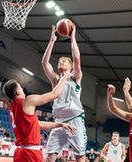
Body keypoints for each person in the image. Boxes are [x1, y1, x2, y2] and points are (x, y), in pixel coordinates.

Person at [2, 74, 75, 162]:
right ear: (17, 92)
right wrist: (65, 78)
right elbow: (55, 94)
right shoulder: (27, 101)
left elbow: (38, 124)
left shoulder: (13, 107)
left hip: (19, 153)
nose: (22, 89)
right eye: (20, 87)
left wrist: (60, 124)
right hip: (30, 153)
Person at [42, 25, 86, 162]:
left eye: (65, 61)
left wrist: (72, 37)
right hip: (58, 121)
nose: (61, 61)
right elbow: (44, 62)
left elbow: (77, 58)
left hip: (75, 120)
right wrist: (52, 41)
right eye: (60, 61)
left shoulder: (75, 77)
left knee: (80, 156)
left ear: (71, 66)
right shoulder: (56, 79)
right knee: (50, 155)